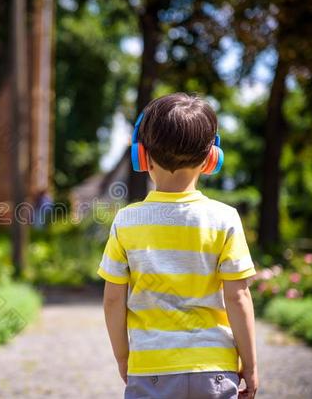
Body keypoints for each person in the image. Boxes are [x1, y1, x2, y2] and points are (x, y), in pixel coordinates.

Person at [99, 93, 258, 399]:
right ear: (212, 158)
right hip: (214, 369)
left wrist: (123, 357)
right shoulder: (225, 219)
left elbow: (112, 301)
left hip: (150, 369)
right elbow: (238, 298)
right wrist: (249, 365)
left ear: (141, 156)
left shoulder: (126, 221)